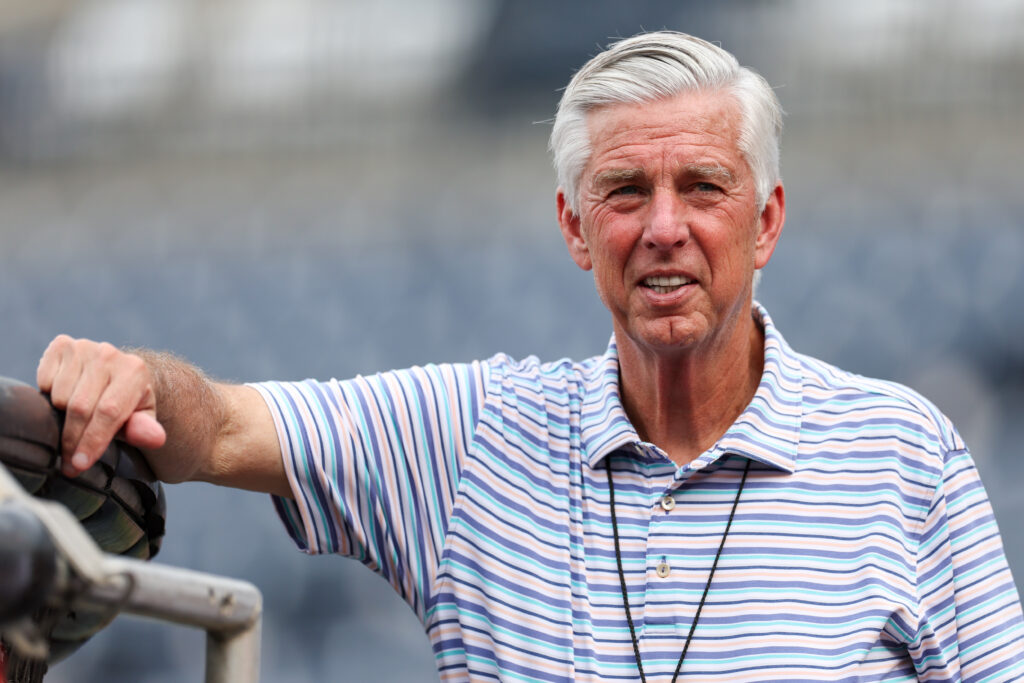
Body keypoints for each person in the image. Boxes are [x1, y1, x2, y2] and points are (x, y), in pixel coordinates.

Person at [35, 31, 1024, 682]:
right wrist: (131, 381)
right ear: (574, 228)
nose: (664, 226)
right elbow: (221, 424)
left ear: (765, 222)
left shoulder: (901, 449)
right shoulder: (467, 439)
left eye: (704, 188)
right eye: (625, 191)